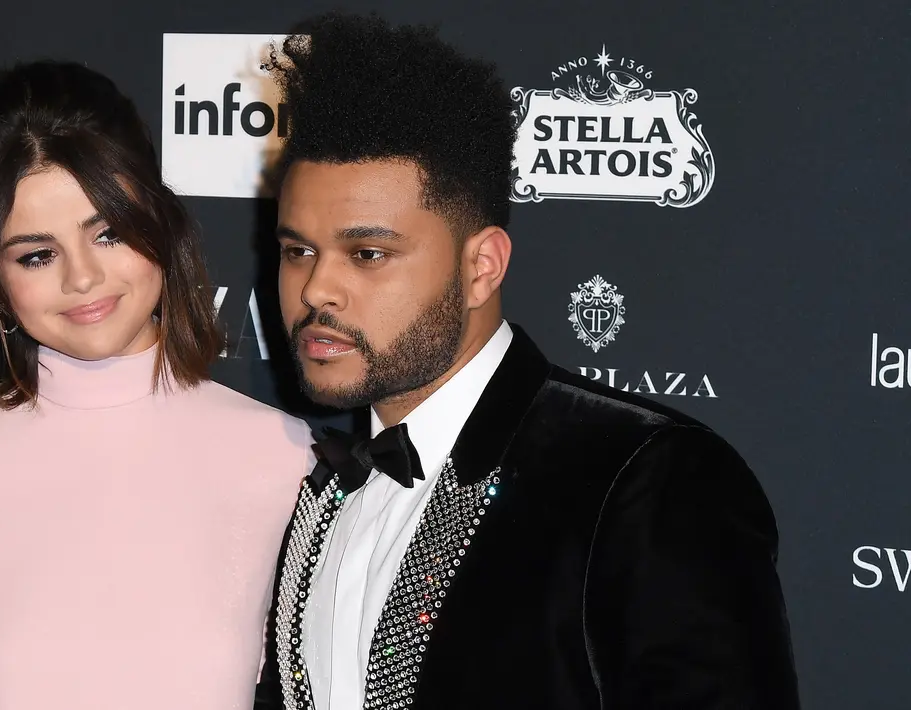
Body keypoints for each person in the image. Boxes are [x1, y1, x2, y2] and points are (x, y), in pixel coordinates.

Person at [255, 12, 800, 710]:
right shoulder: (321, 496)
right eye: (297, 250)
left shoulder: (644, 482)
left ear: (481, 266)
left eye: (368, 254)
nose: (316, 288)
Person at [0, 60, 312, 710]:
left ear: (159, 219)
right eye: (36, 254)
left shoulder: (282, 458)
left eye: (108, 231)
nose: (82, 277)